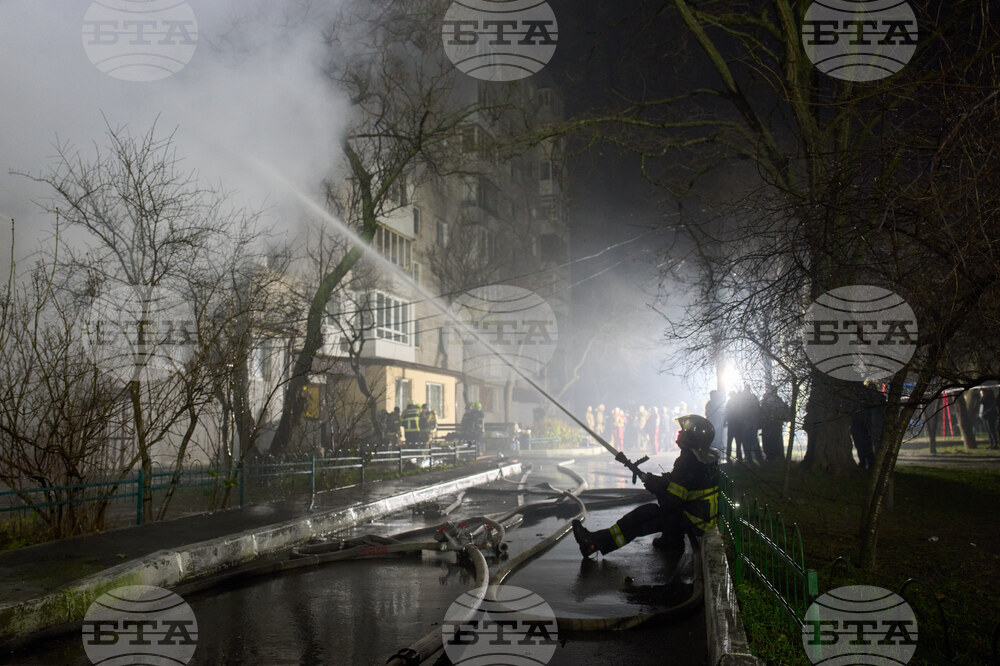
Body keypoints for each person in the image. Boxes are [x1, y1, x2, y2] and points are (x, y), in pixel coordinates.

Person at [572, 414, 720, 558]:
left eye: (683, 431)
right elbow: (682, 484)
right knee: (659, 514)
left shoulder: (688, 462)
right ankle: (671, 541)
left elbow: (672, 503)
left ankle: (593, 542)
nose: (679, 432)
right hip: (700, 518)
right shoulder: (698, 459)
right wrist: (658, 481)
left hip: (694, 521)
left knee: (645, 515)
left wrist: (658, 488)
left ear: (691, 438)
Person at [759, 386, 790, 462]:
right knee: (777, 440)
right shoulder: (779, 400)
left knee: (769, 441)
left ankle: (771, 457)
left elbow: (764, 412)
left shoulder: (768, 401)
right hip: (777, 423)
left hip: (769, 424)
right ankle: (778, 456)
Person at [705, 390, 726, 455]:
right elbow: (708, 413)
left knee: (718, 439)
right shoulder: (710, 404)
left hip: (717, 424)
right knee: (712, 439)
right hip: (712, 424)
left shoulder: (717, 403)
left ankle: (718, 454)